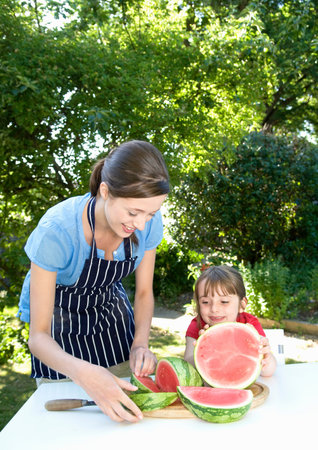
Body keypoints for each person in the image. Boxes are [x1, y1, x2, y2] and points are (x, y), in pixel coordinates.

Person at [17, 140, 170, 423]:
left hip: (110, 318)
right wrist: (84, 372)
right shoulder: (57, 231)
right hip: (58, 330)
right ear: (105, 191)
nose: (141, 225)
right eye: (133, 212)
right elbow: (38, 337)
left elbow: (145, 292)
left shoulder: (148, 222)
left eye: (150, 213)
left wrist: (139, 344)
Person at [184, 265, 276, 377]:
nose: (214, 309)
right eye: (205, 302)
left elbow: (268, 372)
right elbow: (187, 365)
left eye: (224, 301)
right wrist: (204, 353)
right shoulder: (197, 325)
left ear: (242, 305)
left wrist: (267, 358)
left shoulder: (249, 323)